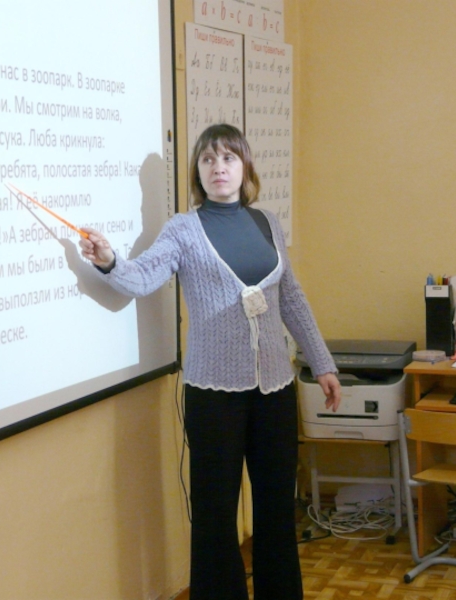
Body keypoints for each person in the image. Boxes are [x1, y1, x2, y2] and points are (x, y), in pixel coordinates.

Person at [79, 123, 340, 600]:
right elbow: (142, 278)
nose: (218, 167)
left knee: (276, 511)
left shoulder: (267, 223)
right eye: (208, 159)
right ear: (198, 172)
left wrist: (322, 364)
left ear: (245, 167)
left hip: (275, 390)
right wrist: (109, 260)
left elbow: (291, 298)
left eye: (228, 158)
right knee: (215, 518)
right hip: (214, 395)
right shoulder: (183, 229)